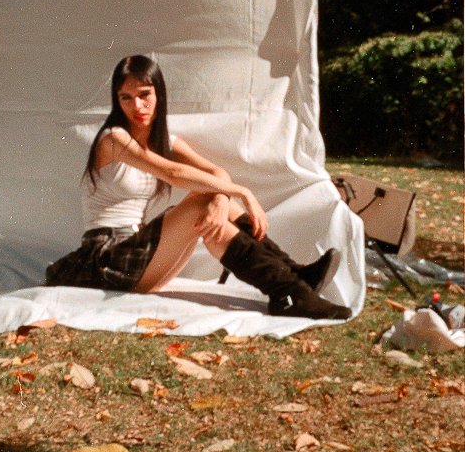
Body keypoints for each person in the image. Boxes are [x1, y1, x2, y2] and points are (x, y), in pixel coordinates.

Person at [46, 55, 351, 321]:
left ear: (159, 94)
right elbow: (175, 173)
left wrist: (221, 198)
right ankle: (289, 292)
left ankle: (294, 278)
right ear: (117, 100)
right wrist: (243, 193)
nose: (137, 105)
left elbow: (216, 172)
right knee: (201, 205)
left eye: (144, 94)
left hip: (139, 261)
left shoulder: (163, 141)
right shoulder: (113, 138)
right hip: (107, 260)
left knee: (217, 207)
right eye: (126, 97)